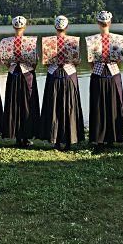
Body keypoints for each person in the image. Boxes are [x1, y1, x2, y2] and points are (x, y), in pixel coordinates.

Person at [40, 16, 85, 150]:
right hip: (69, 75)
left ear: (55, 27)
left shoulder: (48, 42)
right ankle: (70, 139)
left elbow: (46, 63)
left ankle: (55, 140)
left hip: (53, 75)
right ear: (67, 27)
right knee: (69, 106)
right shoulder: (73, 42)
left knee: (53, 106)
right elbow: (77, 62)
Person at [86, 11, 123, 150]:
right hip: (113, 73)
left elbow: (90, 61)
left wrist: (98, 67)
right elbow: (120, 61)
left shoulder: (91, 39)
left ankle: (99, 139)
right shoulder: (119, 39)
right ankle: (113, 137)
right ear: (110, 22)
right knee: (114, 105)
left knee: (98, 106)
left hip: (98, 74)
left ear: (98, 23)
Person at [0, 16, 40, 147]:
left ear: (13, 27)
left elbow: (4, 61)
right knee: (27, 105)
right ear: (25, 26)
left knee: (14, 104)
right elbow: (35, 61)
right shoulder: (31, 42)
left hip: (13, 74)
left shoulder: (5, 42)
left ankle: (16, 136)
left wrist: (12, 66)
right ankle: (26, 136)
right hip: (27, 74)